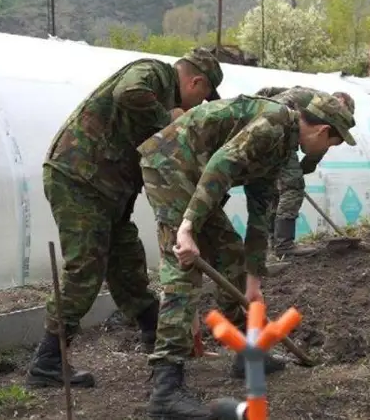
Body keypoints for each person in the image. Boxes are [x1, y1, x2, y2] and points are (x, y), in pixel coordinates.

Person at [138, 93, 356, 419]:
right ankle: (165, 390)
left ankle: (246, 352)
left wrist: (253, 279)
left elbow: (260, 213)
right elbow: (221, 165)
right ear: (323, 131)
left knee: (230, 252)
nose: (327, 151)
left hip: (195, 172)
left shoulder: (283, 148)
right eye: (333, 144)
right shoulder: (273, 124)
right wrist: (186, 228)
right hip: (172, 163)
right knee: (183, 269)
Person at [25, 48, 224, 389]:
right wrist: (171, 120)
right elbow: (127, 92)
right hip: (79, 176)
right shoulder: (154, 73)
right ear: (196, 81)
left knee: (127, 262)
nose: (196, 108)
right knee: (86, 267)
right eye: (202, 99)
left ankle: (153, 332)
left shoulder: (160, 94)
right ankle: (48, 360)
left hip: (106, 190)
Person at [254, 85, 356, 258]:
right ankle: (283, 245)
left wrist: (296, 175)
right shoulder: (308, 99)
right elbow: (269, 92)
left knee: (283, 188)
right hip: (274, 131)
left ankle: (275, 242)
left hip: (277, 135)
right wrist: (256, 107)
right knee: (291, 187)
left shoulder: (326, 122)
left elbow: (313, 156)